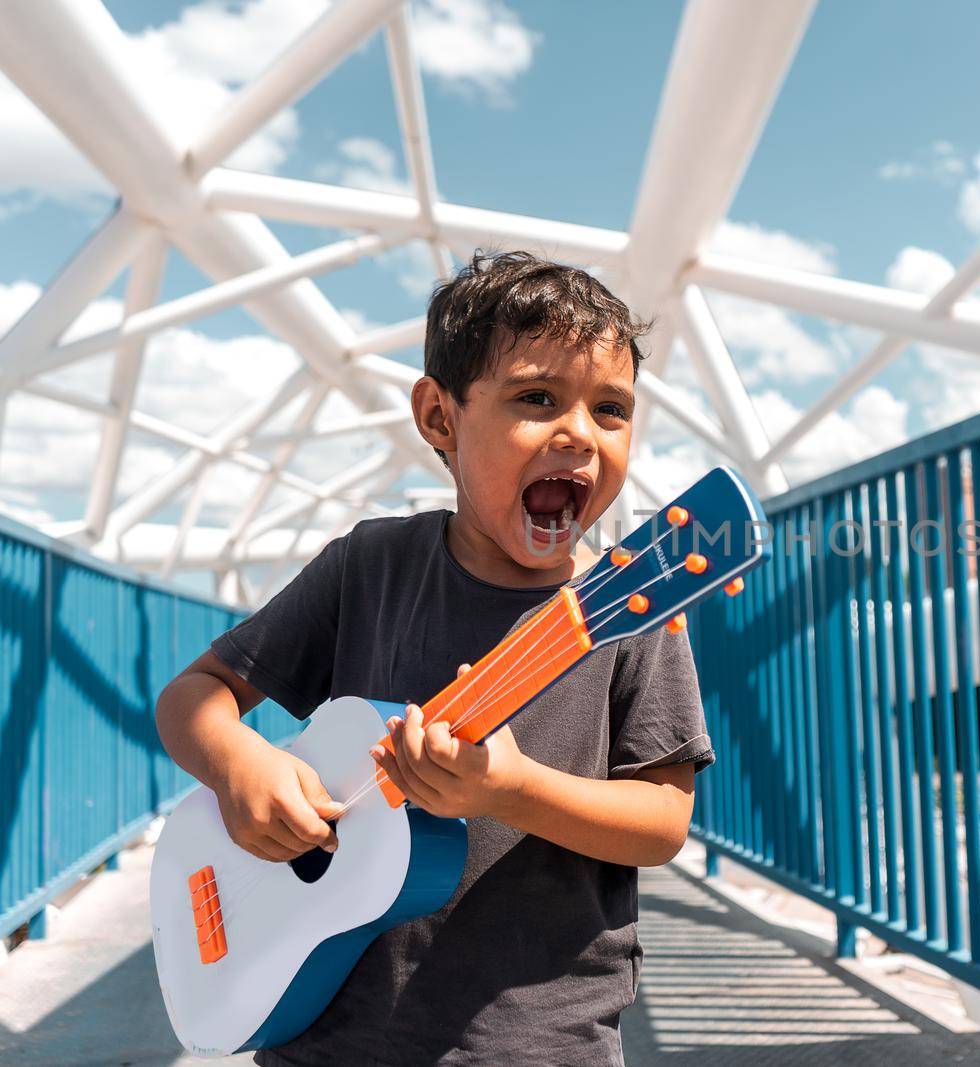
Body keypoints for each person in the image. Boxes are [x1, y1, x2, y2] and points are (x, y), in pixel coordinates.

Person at [154, 251, 713, 1066]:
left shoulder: (636, 607)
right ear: (439, 417)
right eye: (536, 397)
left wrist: (512, 791)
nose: (579, 433)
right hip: (325, 1032)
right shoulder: (370, 566)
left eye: (611, 409)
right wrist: (240, 766)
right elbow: (194, 696)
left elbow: (662, 821)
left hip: (537, 1042)